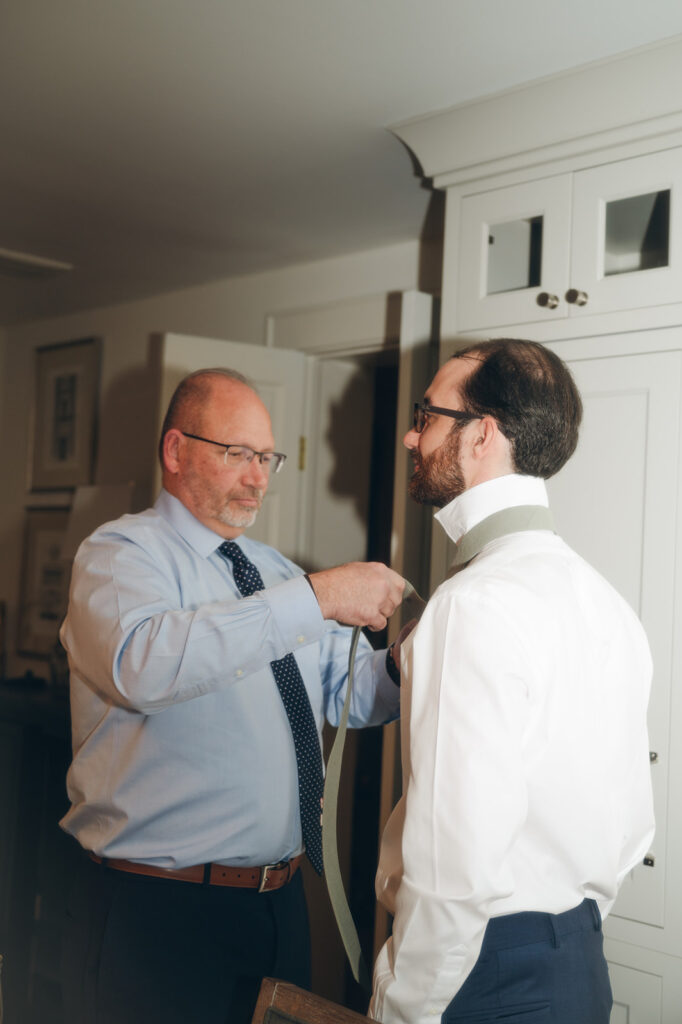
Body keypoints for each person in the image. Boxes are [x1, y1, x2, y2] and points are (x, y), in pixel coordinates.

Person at [59, 367, 406, 1024]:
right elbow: (146, 665)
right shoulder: (118, 555)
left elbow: (344, 692)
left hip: (278, 907)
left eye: (266, 457)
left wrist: (412, 664)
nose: (259, 478)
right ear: (175, 450)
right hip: (159, 913)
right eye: (236, 454)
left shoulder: (276, 572)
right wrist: (319, 597)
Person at [370, 339, 655, 1024]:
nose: (412, 434)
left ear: (483, 436)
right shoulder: (607, 604)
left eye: (428, 414)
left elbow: (451, 873)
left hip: (483, 977)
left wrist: (397, 1011)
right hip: (579, 966)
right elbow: (628, 831)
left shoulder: (472, 605)